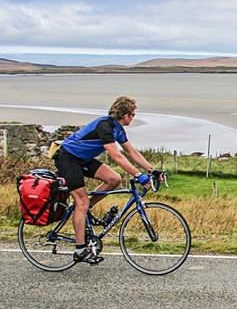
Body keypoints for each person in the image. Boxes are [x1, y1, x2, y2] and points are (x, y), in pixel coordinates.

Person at [54, 96, 159, 264]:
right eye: (132, 114)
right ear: (125, 115)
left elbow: (132, 153)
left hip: (83, 159)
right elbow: (117, 156)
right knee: (81, 202)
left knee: (113, 179)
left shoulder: (118, 129)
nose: (133, 117)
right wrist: (138, 175)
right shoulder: (105, 126)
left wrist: (152, 170)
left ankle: (86, 209)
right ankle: (80, 250)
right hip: (68, 158)